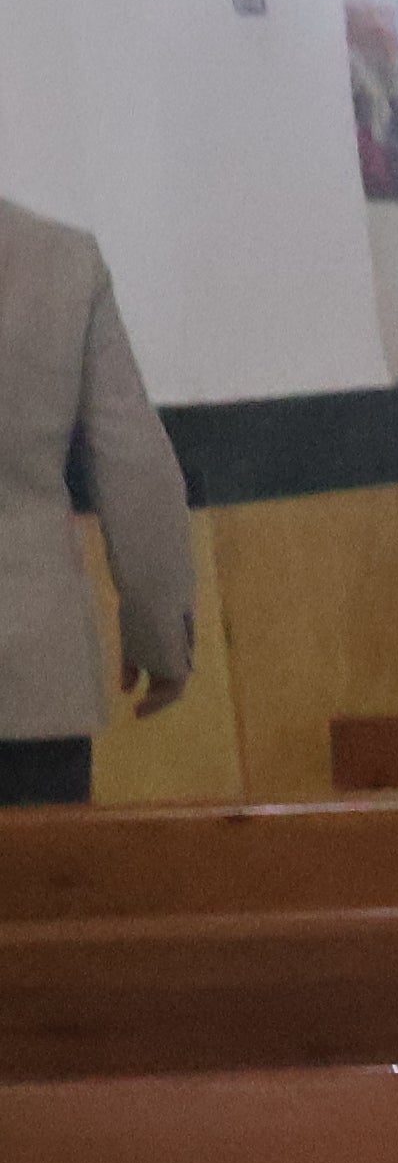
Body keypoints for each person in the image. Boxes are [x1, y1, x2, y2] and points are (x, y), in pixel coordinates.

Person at [0, 195, 194, 805]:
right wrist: (161, 635)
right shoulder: (61, 261)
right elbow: (135, 462)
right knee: (44, 897)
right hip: (31, 681)